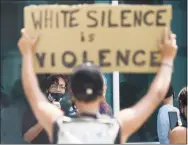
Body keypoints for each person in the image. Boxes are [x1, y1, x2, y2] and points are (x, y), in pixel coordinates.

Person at [18, 27, 177, 143]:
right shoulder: (115, 128)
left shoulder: (59, 125)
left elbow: (31, 91)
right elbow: (155, 95)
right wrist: (167, 58)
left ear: (71, 93)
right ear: (103, 94)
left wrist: (27, 52)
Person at [22, 74, 69, 144]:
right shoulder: (35, 108)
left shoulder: (68, 109)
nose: (58, 90)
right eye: (54, 86)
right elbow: (26, 138)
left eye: (62, 87)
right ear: (47, 90)